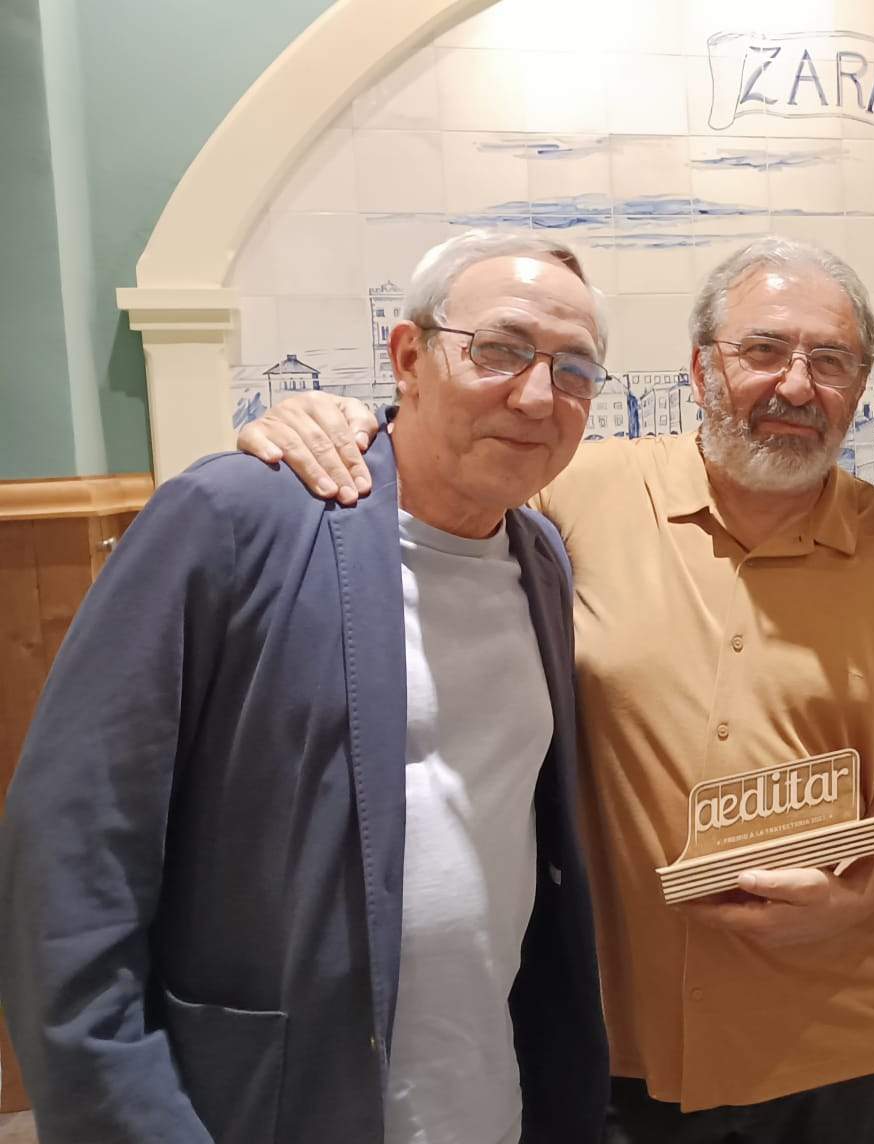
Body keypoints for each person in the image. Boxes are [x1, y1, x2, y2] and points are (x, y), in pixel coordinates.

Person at [234, 236, 874, 1143]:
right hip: (615, 1044)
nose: (796, 386)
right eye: (765, 351)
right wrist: (334, 421)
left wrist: (863, 889)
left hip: (837, 1040)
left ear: (859, 386)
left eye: (831, 362)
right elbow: (435, 486)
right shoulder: (569, 491)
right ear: (702, 365)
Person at [0, 229, 611, 1144]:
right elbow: (72, 863)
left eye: (573, 370)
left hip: (486, 1098)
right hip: (270, 1103)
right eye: (501, 351)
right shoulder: (232, 521)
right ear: (409, 356)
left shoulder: (543, 561)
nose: (536, 395)